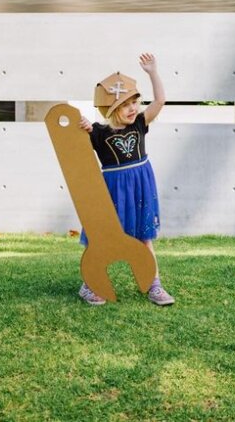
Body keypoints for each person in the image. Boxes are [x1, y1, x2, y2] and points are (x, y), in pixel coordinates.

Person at [77, 53, 175, 307]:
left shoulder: (140, 124)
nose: (133, 108)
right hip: (112, 191)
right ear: (112, 109)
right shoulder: (98, 133)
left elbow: (161, 100)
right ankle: (90, 284)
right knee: (103, 236)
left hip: (140, 186)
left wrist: (152, 72)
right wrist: (83, 125)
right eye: (125, 104)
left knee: (144, 237)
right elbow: (76, 139)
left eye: (135, 102)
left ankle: (154, 284)